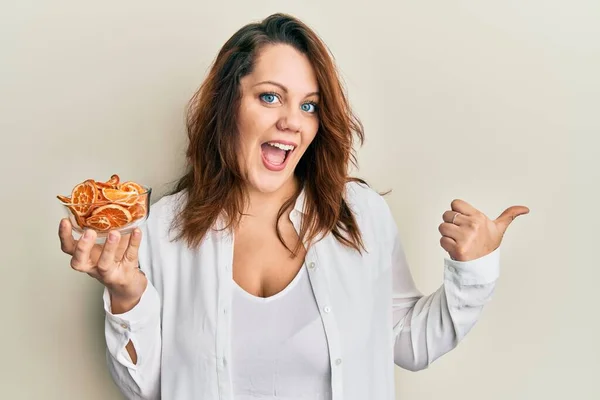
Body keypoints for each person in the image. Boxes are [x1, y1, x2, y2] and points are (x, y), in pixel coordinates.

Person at [58, 13, 529, 400]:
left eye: (309, 106)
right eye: (270, 97)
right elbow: (148, 387)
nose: (291, 122)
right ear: (229, 105)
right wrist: (126, 296)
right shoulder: (165, 228)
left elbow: (409, 341)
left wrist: (474, 270)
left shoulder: (358, 215)